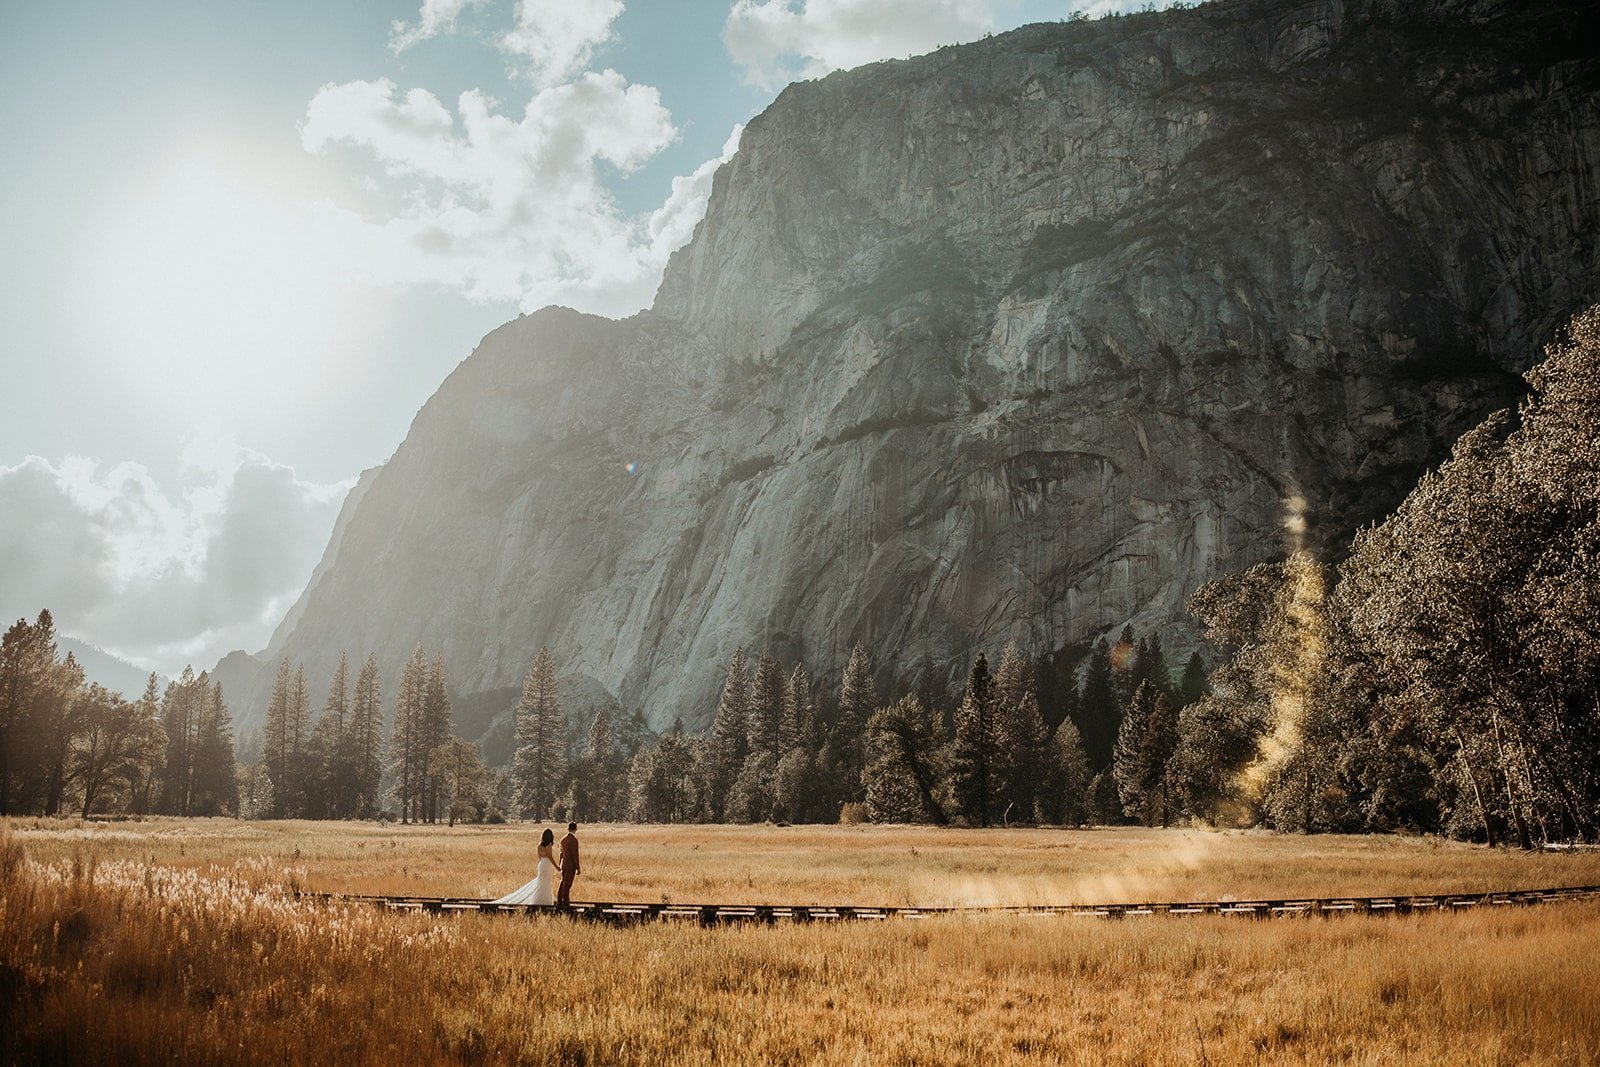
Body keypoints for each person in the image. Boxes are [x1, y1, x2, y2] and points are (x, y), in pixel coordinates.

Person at [491, 828, 558, 906]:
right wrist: (557, 867)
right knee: (546, 883)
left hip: (541, 864)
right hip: (547, 865)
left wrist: (543, 862)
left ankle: (538, 900)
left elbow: (539, 857)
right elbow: (550, 857)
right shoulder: (549, 846)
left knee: (541, 882)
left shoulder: (539, 845)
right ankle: (545, 901)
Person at [557, 823, 580, 906]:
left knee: (562, 881)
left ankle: (559, 899)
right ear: (575, 829)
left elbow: (561, 853)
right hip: (571, 865)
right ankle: (566, 901)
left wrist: (560, 864)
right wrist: (578, 867)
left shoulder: (563, 839)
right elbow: (575, 855)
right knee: (568, 883)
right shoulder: (574, 840)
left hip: (564, 864)